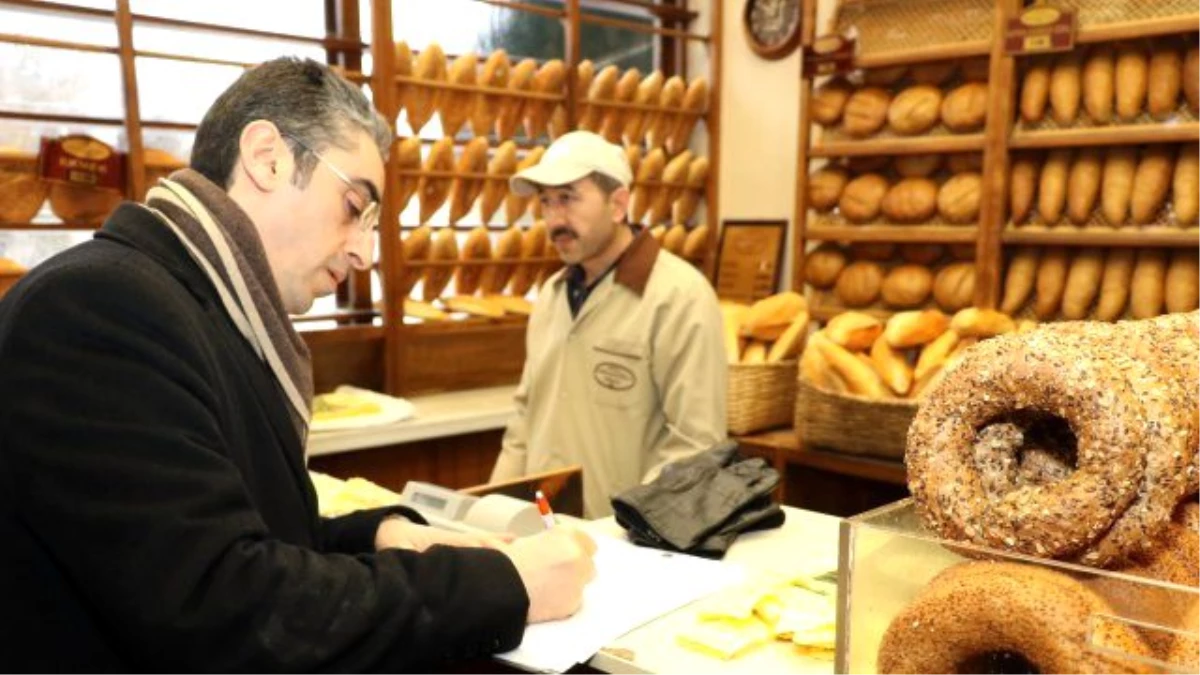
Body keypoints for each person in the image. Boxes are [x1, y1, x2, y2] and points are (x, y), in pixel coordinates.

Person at [0, 56, 596, 673]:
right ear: (267, 158)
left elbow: (247, 535)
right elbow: (225, 608)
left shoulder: (207, 311)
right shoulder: (100, 309)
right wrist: (504, 586)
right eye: (353, 206)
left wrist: (386, 535)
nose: (365, 251)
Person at [489, 131, 728, 519]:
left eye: (567, 198)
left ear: (618, 204)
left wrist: (627, 532)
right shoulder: (551, 296)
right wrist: (490, 514)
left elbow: (695, 446)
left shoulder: (679, 296)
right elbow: (524, 422)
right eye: (545, 202)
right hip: (544, 536)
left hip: (629, 547)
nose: (553, 220)